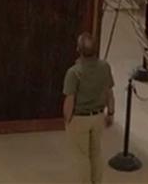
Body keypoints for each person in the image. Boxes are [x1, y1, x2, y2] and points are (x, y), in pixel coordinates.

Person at [62, 32, 115, 183]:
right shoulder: (105, 67)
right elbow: (109, 93)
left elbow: (70, 99)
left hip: (79, 118)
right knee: (96, 153)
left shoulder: (74, 73)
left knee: (81, 156)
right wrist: (110, 113)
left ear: (78, 50)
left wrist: (68, 119)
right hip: (98, 117)